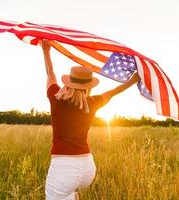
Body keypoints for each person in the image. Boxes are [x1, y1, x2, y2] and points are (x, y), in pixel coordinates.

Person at [42, 39, 140, 200]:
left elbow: (50, 73)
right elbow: (113, 91)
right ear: (88, 86)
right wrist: (132, 80)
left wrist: (46, 51)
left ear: (69, 82)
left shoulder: (56, 98)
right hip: (87, 167)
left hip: (64, 168)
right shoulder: (92, 103)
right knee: (71, 194)